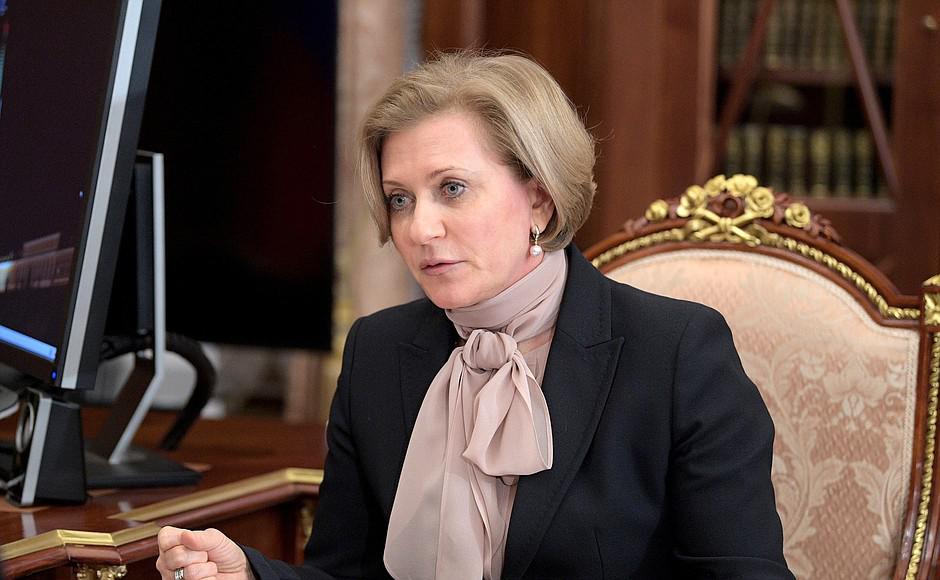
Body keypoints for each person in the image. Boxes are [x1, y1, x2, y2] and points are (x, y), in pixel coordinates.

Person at [156, 52, 794, 580]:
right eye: (399, 200)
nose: (419, 228)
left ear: (539, 199)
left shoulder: (677, 352)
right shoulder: (378, 349)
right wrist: (251, 575)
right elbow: (345, 571)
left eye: (452, 189)